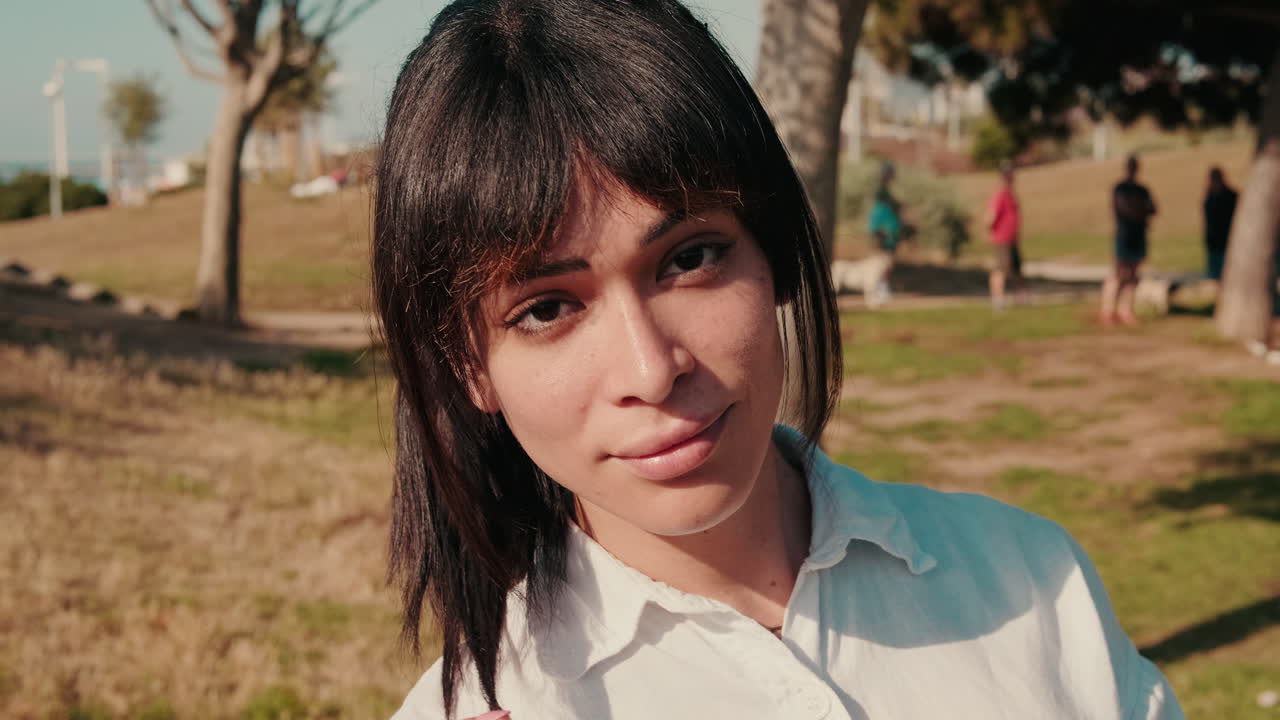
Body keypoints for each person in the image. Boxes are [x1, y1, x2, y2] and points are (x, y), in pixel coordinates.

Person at [373, 2, 1185, 719]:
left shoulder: (1031, 582)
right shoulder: (493, 705)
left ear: (775, 251)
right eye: (547, 309)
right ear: (468, 363)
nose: (651, 371)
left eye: (690, 259)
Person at [1100, 154, 1157, 326]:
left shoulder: (1142, 190)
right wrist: (1140, 211)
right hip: (1124, 235)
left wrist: (1138, 210)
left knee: (1133, 275)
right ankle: (1107, 310)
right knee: (1119, 273)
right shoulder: (1121, 188)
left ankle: (1125, 310)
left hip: (1138, 236)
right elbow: (1124, 209)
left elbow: (1153, 209)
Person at [985, 160, 1022, 310]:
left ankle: (1020, 297)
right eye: (1006, 175)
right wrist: (991, 232)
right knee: (1000, 269)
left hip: (1012, 238)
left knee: (1016, 268)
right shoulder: (999, 194)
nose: (1010, 177)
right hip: (1001, 238)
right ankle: (998, 299)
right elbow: (989, 217)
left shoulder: (1011, 194)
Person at [866, 162, 903, 307]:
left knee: (887, 258)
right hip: (884, 228)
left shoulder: (885, 191)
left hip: (889, 228)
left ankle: (882, 287)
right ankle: (881, 287)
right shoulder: (881, 192)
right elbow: (882, 211)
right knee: (884, 259)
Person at [1203, 166, 1238, 281]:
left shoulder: (1231, 197)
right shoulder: (1209, 198)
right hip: (1213, 244)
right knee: (1215, 276)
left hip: (1228, 241)